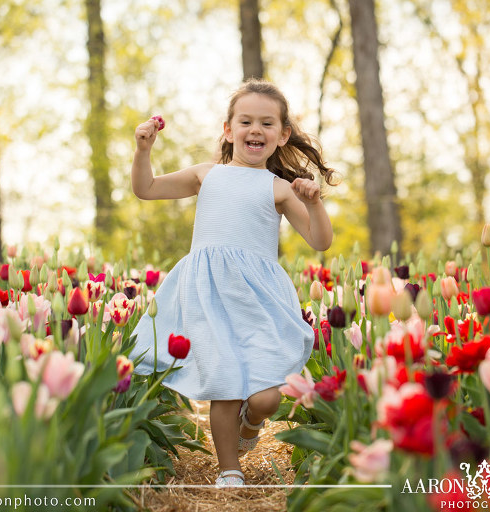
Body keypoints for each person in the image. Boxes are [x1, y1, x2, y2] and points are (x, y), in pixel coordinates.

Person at [129, 79, 337, 488]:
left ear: (282, 135)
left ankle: (251, 423)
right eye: (245, 121)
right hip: (207, 291)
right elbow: (146, 188)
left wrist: (314, 202)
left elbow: (320, 240)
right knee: (225, 383)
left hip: (257, 297)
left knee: (265, 397)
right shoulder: (207, 175)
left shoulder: (277, 188)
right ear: (228, 129)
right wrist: (142, 151)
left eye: (266, 123)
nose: (255, 130)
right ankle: (230, 470)